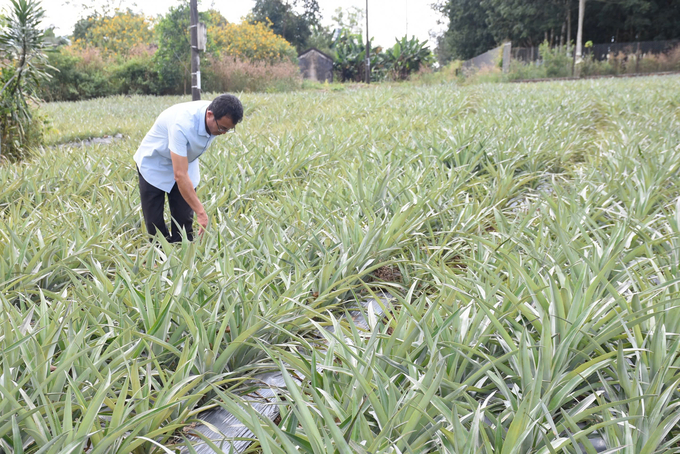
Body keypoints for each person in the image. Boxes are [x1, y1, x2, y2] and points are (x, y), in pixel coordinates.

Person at [134, 94, 243, 242]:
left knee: (184, 221)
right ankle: (159, 260)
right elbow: (180, 175)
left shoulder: (217, 113)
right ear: (210, 114)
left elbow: (181, 170)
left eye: (228, 130)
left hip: (184, 161)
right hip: (155, 164)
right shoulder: (182, 124)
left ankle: (183, 257)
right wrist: (201, 212)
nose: (223, 133)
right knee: (155, 223)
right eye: (222, 128)